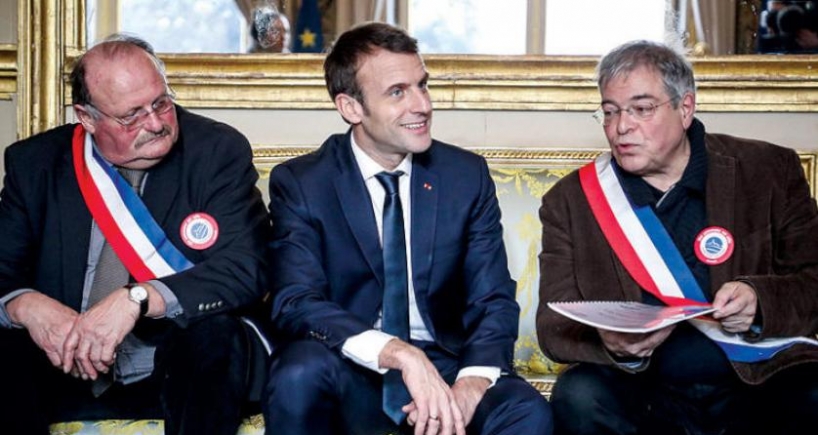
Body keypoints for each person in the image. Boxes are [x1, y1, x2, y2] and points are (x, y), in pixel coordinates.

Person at [263, 22, 552, 435]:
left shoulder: (465, 176)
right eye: (397, 92)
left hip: (445, 364)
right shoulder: (304, 183)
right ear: (351, 107)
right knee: (298, 373)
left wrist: (469, 387)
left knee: (524, 411)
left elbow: (492, 299)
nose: (422, 105)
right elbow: (296, 301)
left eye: (422, 85)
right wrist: (399, 353)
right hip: (354, 366)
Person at [537, 39, 818, 435]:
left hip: (756, 383)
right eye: (610, 111)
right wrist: (612, 343)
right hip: (644, 389)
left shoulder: (768, 170)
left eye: (641, 109)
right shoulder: (571, 201)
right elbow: (553, 325)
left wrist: (760, 301)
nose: (621, 127)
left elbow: (812, 282)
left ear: (685, 109)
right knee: (578, 394)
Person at [0, 34, 271, 435]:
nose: (156, 123)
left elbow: (247, 266)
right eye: (132, 116)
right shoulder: (35, 163)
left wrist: (139, 298)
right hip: (60, 364)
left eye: (161, 103)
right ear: (87, 117)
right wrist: (27, 306)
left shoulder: (215, 150)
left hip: (169, 366)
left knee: (215, 334)